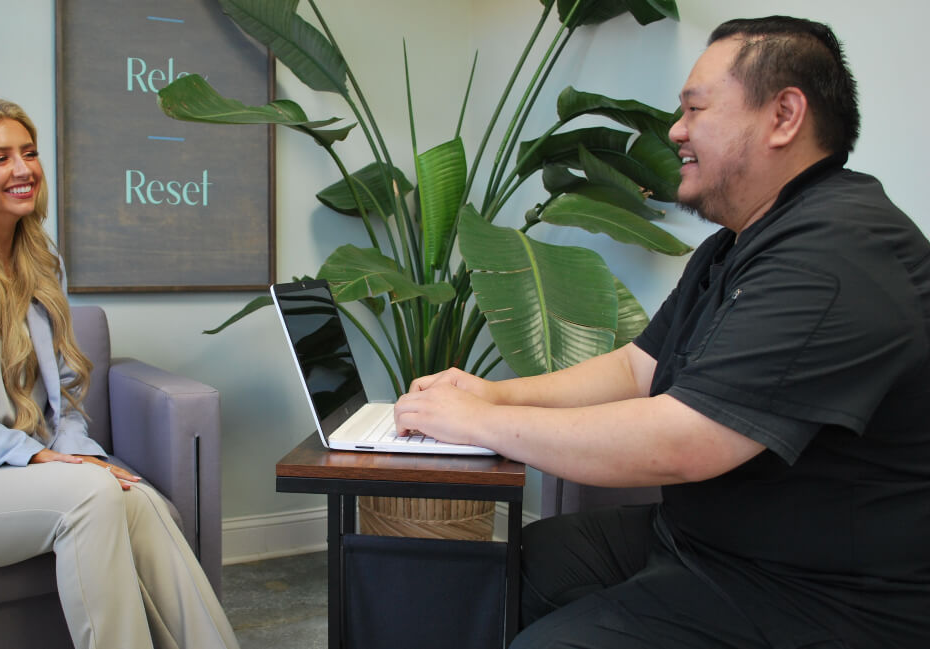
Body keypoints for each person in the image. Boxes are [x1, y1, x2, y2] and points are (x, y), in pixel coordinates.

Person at [395, 16, 930, 648]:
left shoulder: (837, 254)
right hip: (702, 540)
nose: (675, 131)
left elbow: (687, 441)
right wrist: (490, 394)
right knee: (507, 572)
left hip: (819, 594)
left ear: (784, 116)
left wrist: (476, 425)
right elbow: (635, 368)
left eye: (695, 109)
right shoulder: (739, 244)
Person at [0, 96, 240, 649]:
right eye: (0, 157)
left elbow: (65, 399)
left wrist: (83, 456)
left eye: (28, 154)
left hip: (9, 473)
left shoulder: (38, 264)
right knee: (89, 496)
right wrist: (30, 454)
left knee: (140, 499)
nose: (23, 169)